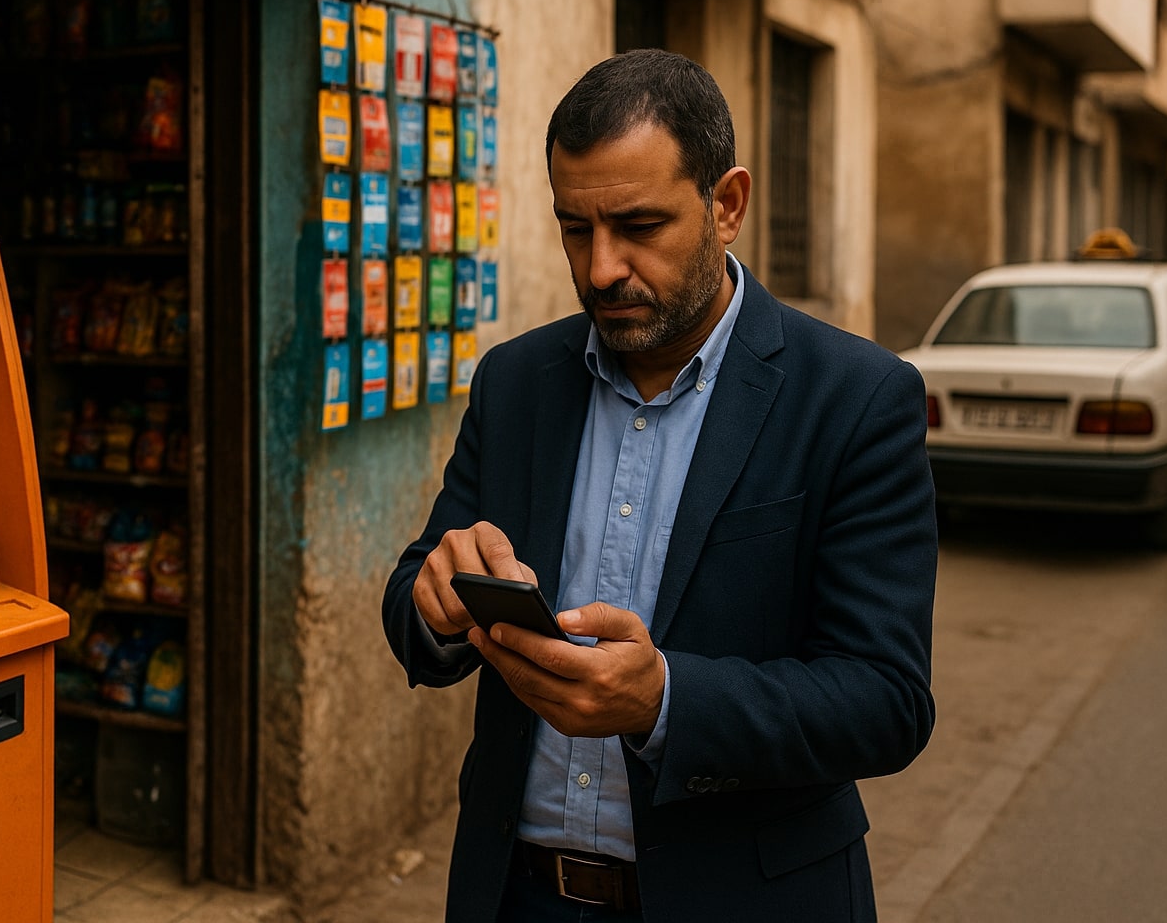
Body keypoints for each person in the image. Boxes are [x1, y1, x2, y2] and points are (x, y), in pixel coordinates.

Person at [381, 49, 937, 923]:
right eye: (576, 228)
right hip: (515, 895)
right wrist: (434, 598)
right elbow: (414, 604)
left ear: (728, 205)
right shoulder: (517, 383)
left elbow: (886, 701)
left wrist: (668, 699)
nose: (602, 268)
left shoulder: (857, 399)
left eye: (639, 227)